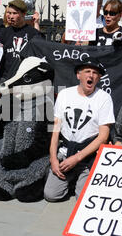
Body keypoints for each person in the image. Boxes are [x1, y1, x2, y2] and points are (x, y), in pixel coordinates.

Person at [44, 58, 115, 202]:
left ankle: (83, 178)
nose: (91, 76)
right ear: (78, 75)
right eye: (87, 71)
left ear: (99, 78)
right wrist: (53, 158)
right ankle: (67, 179)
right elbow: (55, 128)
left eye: (95, 73)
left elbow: (103, 137)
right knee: (51, 195)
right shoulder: (65, 94)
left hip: (87, 157)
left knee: (84, 200)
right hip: (65, 152)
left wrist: (77, 158)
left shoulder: (104, 98)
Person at [0, 0, 42, 87]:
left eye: (14, 13)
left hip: (25, 81)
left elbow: (39, 50)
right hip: (5, 79)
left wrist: (36, 23)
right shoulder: (3, 32)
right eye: (9, 13)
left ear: (23, 14)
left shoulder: (32, 33)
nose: (10, 16)